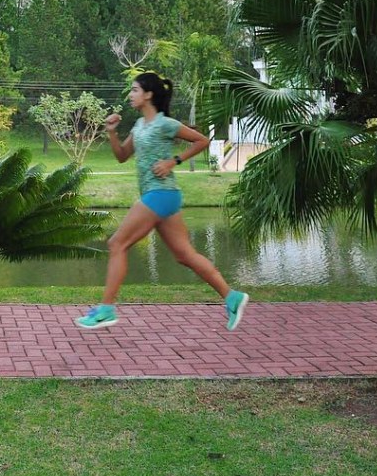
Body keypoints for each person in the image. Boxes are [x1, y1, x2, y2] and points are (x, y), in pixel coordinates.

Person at [75, 72, 249, 331]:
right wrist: (111, 132)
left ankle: (106, 309)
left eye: (134, 90)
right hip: (162, 197)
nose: (130, 95)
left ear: (148, 94)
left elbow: (202, 140)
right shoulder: (139, 126)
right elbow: (122, 156)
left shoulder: (165, 123)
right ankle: (232, 296)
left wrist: (173, 161)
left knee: (117, 243)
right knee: (184, 255)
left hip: (159, 193)